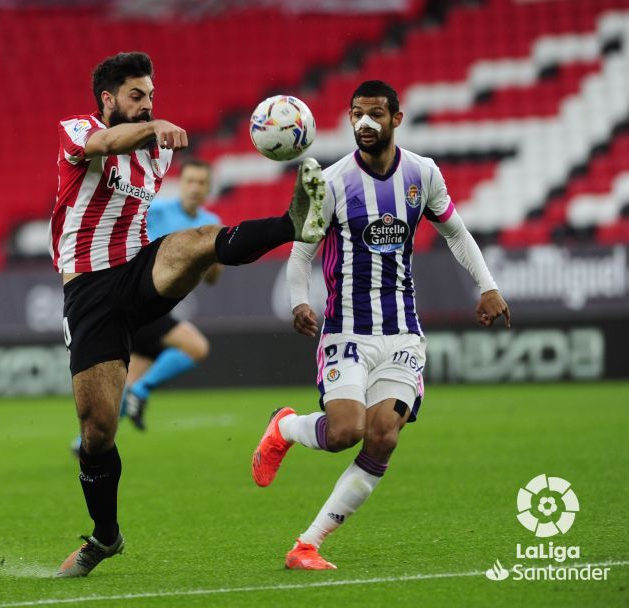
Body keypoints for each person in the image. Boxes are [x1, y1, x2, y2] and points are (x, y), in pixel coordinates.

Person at [51, 51, 325, 577]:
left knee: (198, 241)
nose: (148, 103)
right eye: (137, 96)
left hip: (135, 272)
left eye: (151, 96)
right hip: (88, 292)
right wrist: (152, 125)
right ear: (108, 99)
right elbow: (104, 144)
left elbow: (150, 195)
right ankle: (106, 537)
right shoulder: (77, 129)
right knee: (97, 432)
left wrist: (151, 129)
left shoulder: (157, 158)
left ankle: (294, 223)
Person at [251, 80, 511, 570]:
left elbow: (456, 233)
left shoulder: (422, 173)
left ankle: (308, 544)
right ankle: (284, 427)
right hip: (347, 329)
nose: (364, 123)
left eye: (374, 114)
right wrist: (298, 302)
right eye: (356, 114)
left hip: (402, 332)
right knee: (346, 431)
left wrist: (488, 285)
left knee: (384, 435)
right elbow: (302, 253)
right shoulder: (330, 183)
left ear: (396, 118)